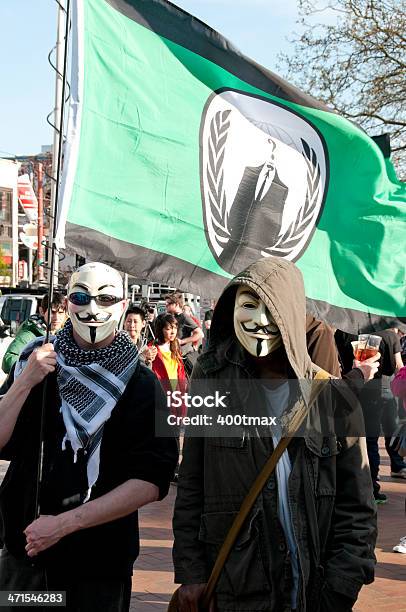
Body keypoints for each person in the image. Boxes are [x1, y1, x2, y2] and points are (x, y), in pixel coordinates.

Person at [173, 256, 378, 612]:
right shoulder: (211, 386)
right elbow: (191, 486)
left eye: (272, 308)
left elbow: (358, 510)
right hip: (235, 590)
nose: (259, 320)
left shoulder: (335, 400)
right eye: (249, 305)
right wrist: (192, 572)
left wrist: (340, 587)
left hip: (313, 593)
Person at [0, 262, 177, 612]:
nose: (93, 309)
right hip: (27, 563)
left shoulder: (141, 384)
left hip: (98, 570)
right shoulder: (36, 363)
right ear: (67, 303)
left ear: (123, 306)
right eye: (81, 297)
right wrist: (24, 382)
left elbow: (152, 480)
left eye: (106, 298)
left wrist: (65, 524)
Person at [2, 292, 66, 374]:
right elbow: (7, 362)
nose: (57, 318)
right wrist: (31, 368)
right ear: (42, 311)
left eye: (60, 313)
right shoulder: (29, 334)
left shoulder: (62, 334)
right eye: (52, 312)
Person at [149, 313, 187, 416]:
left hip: (176, 390)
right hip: (161, 392)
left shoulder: (175, 347)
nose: (173, 331)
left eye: (174, 327)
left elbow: (180, 372)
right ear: (160, 329)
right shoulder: (151, 349)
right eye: (168, 328)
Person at [166, 293, 204, 376]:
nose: (166, 306)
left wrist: (182, 341)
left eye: (168, 304)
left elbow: (200, 333)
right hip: (173, 356)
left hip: (184, 358)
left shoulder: (184, 317)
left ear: (176, 304)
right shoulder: (171, 317)